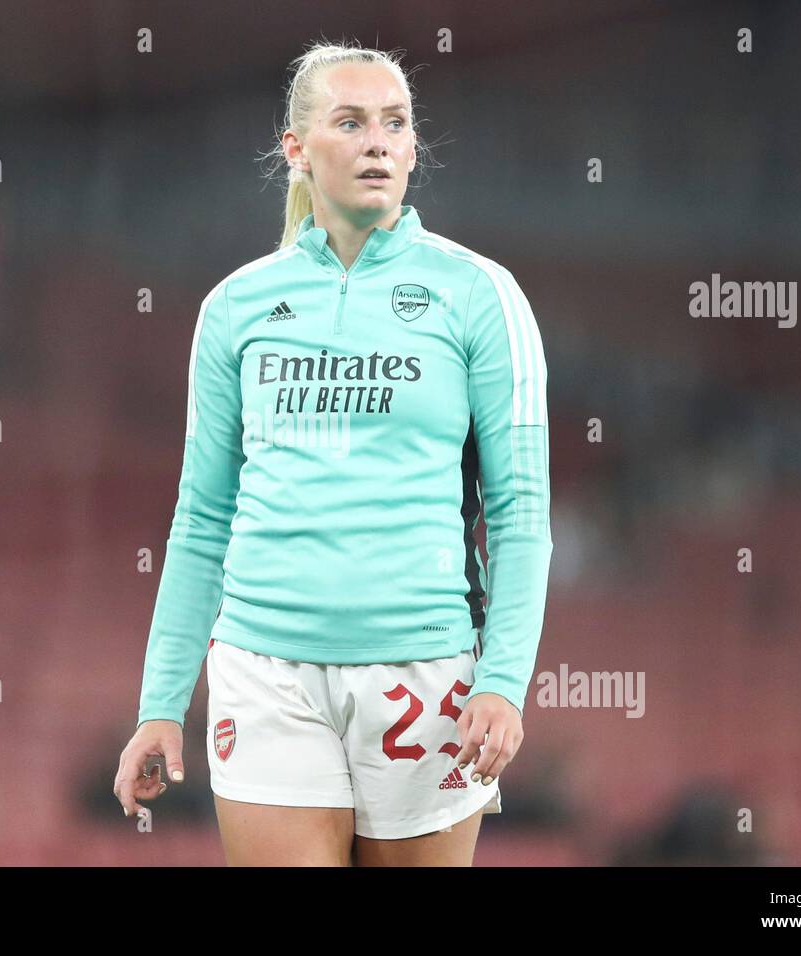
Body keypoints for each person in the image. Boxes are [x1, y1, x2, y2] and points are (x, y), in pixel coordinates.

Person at [114, 41, 552, 866]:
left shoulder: (482, 296)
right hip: (264, 672)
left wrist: (500, 683)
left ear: (414, 149)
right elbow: (202, 519)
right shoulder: (235, 307)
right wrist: (161, 704)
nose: (378, 142)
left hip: (426, 674)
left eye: (395, 124)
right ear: (297, 149)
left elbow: (522, 516)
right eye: (350, 123)